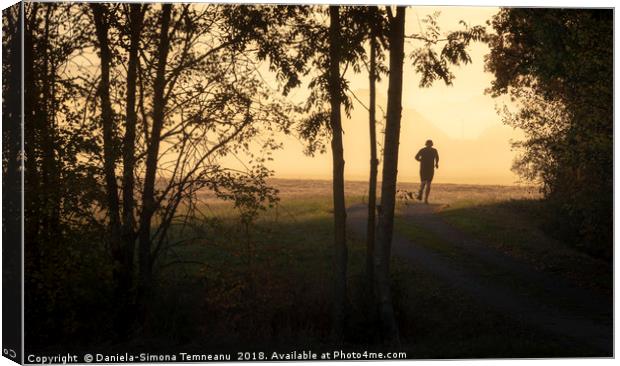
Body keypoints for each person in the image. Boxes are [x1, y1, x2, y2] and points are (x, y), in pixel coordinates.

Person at [415, 139, 439, 204]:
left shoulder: (423, 150)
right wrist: (436, 164)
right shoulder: (434, 150)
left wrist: (421, 160)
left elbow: (416, 157)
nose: (429, 145)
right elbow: (437, 158)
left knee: (425, 183)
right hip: (429, 169)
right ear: (431, 144)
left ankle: (422, 196)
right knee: (427, 183)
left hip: (424, 168)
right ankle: (424, 199)